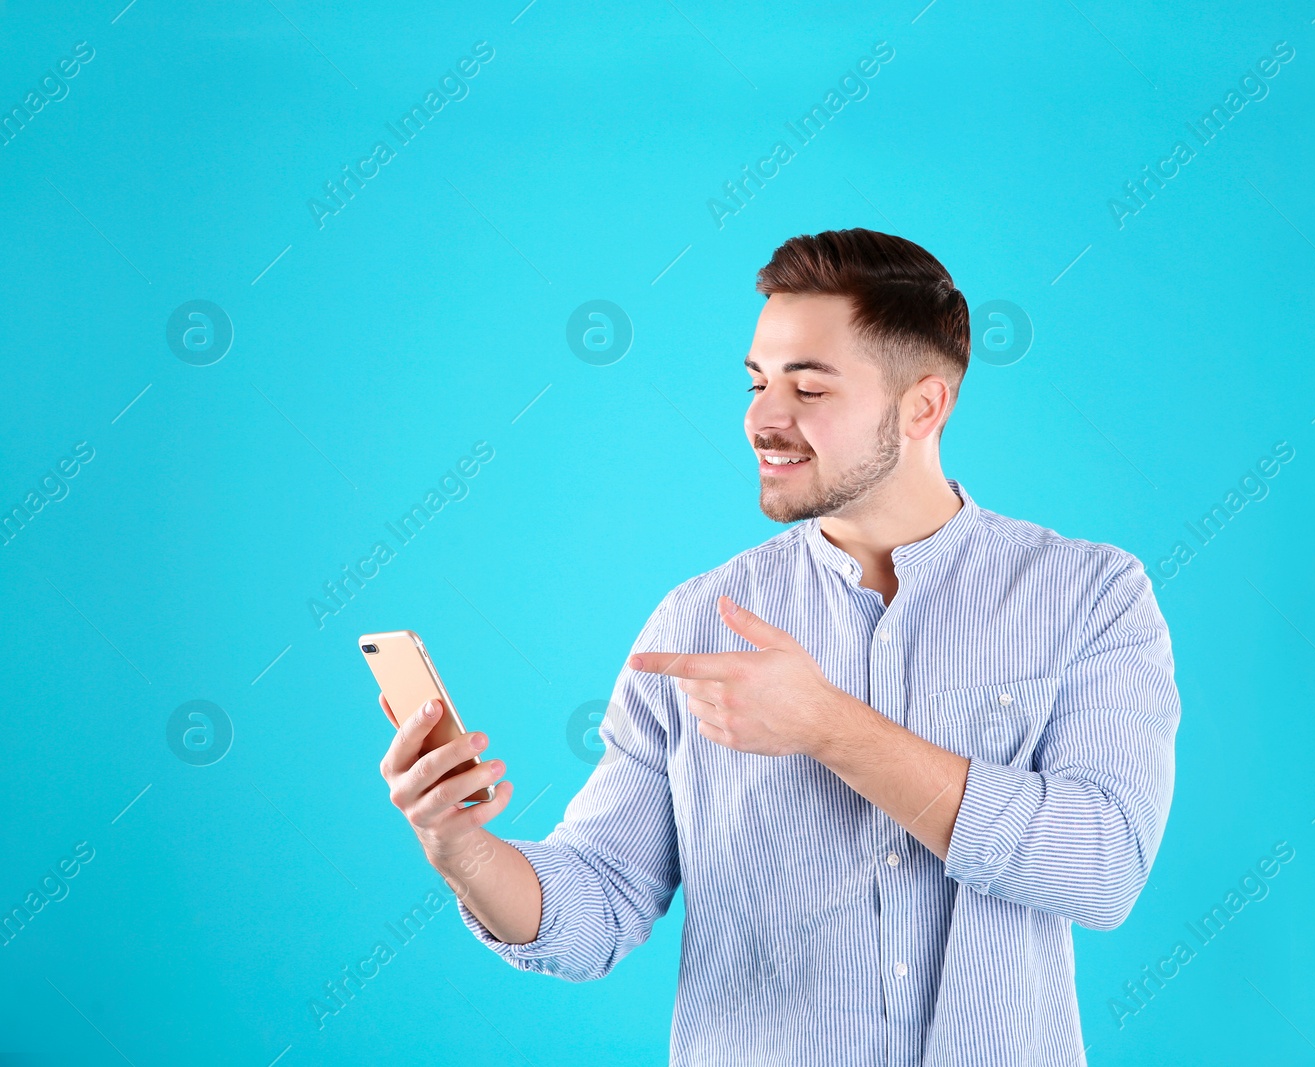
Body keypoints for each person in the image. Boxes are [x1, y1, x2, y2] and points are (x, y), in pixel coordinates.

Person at [378, 228, 1181, 1065]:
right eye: (758, 382)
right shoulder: (695, 624)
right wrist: (463, 850)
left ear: (923, 407)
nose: (763, 417)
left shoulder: (1089, 596)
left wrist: (828, 725)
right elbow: (600, 907)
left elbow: (1102, 867)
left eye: (809, 388)